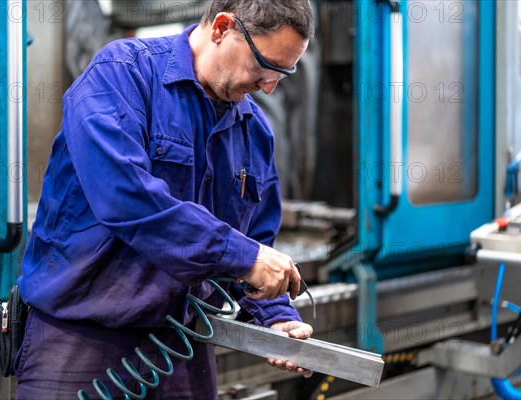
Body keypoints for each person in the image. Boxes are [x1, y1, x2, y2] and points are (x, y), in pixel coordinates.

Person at [16, 0, 316, 398]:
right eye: (263, 65)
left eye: (283, 72)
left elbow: (255, 242)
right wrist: (244, 256)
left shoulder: (253, 130)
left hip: (178, 347)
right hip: (80, 340)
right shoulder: (122, 75)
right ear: (221, 28)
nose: (269, 86)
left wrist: (275, 316)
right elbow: (126, 198)